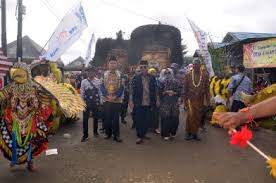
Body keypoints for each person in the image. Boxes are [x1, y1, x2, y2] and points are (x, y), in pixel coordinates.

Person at [183, 57, 210, 141]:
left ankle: (195, 134)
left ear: (200, 65)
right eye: (194, 64)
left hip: (200, 99)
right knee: (190, 116)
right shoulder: (188, 75)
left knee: (198, 116)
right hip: (190, 99)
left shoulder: (205, 75)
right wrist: (184, 101)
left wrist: (208, 100)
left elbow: (207, 88)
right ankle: (188, 133)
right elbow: (185, 89)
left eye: (197, 64)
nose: (195, 66)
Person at [131, 60, 157, 144]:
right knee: (139, 120)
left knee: (147, 120)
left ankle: (144, 134)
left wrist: (157, 100)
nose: (143, 69)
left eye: (145, 67)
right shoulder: (136, 77)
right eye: (141, 67)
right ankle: (139, 136)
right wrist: (131, 100)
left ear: (148, 67)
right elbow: (132, 90)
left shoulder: (152, 78)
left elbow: (155, 90)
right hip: (139, 102)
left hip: (149, 102)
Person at [100, 56, 124, 143]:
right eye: (111, 63)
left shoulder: (120, 74)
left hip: (117, 100)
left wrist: (116, 96)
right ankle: (108, 134)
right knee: (107, 118)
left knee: (116, 118)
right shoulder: (104, 74)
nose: (112, 65)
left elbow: (122, 87)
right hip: (106, 100)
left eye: (114, 63)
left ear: (117, 64)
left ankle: (116, 135)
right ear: (108, 64)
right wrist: (106, 95)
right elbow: (101, 86)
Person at [159, 68, 181, 140]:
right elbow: (158, 92)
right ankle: (166, 134)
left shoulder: (176, 82)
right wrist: (165, 92)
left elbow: (180, 91)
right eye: (166, 73)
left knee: (174, 118)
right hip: (165, 103)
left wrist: (174, 93)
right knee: (165, 118)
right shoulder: (160, 82)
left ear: (171, 73)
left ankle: (173, 133)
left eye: (169, 73)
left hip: (174, 103)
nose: (167, 74)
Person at [80, 67, 102, 142]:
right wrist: (81, 103)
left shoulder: (98, 81)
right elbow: (82, 93)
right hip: (86, 102)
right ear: (87, 73)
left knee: (96, 118)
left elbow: (100, 92)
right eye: (89, 72)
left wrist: (101, 102)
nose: (91, 73)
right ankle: (85, 135)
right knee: (85, 119)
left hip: (95, 102)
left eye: (92, 72)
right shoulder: (84, 81)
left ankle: (95, 132)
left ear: (95, 73)